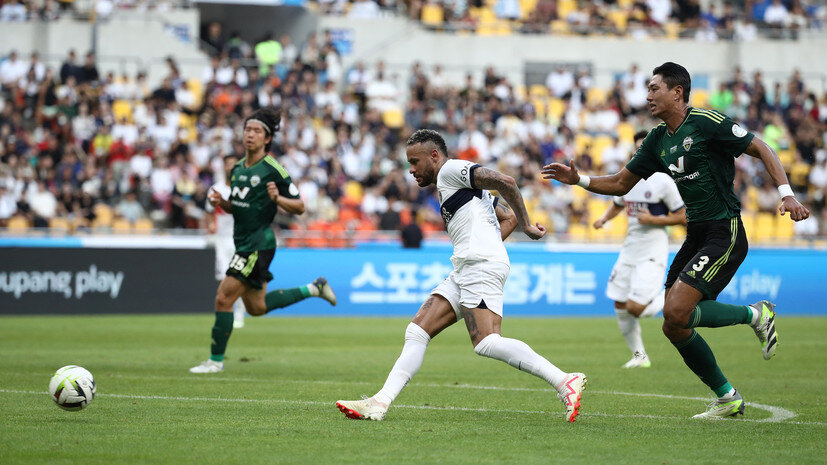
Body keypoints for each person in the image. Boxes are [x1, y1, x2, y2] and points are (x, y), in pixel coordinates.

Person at [542, 62, 809, 419]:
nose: (648, 95)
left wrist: (786, 193)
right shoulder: (657, 138)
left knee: (675, 311)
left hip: (724, 230)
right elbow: (621, 183)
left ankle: (755, 314)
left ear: (677, 92)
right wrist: (580, 180)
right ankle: (727, 396)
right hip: (695, 234)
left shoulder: (706, 122)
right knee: (673, 325)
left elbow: (762, 148)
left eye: (654, 88)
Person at [336, 129, 587, 423]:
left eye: (415, 162)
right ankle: (379, 403)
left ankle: (563, 380)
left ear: (434, 156)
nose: (411, 170)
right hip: (468, 265)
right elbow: (508, 217)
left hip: (478, 265)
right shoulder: (459, 189)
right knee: (417, 331)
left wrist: (528, 226)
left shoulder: (451, 170)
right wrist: (493, 244)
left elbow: (506, 182)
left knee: (486, 342)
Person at [189, 107, 338, 374]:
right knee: (256, 307)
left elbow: (300, 206)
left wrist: (277, 199)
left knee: (223, 298)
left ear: (267, 138)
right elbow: (240, 206)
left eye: (257, 131)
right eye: (248, 129)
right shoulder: (236, 168)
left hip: (258, 243)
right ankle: (314, 288)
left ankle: (214, 361)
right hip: (244, 241)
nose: (251, 135)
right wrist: (223, 203)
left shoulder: (273, 169)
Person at [592, 130, 686, 369]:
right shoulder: (629, 179)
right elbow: (617, 203)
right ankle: (639, 356)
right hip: (629, 249)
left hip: (653, 250)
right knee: (620, 304)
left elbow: (684, 215)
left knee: (635, 307)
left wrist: (656, 220)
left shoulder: (663, 181)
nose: (639, 152)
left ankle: (667, 300)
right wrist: (604, 219)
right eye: (636, 148)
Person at [206, 153, 247, 329]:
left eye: (233, 164)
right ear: (223, 167)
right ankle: (226, 310)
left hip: (240, 239)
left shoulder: (244, 188)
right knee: (223, 277)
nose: (230, 167)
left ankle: (239, 311)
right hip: (222, 240)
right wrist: (210, 224)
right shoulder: (216, 189)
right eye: (227, 164)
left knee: (238, 276)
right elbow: (208, 212)